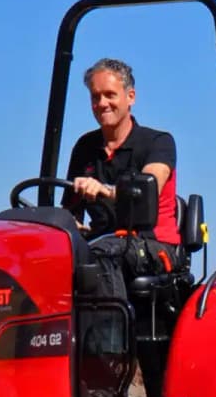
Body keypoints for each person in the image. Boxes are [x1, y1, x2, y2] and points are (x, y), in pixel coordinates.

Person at [62, 58, 183, 273]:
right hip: (103, 241)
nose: (102, 103)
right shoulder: (84, 147)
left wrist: (103, 189)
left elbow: (148, 190)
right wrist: (73, 226)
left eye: (110, 95)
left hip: (152, 246)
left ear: (130, 97)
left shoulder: (158, 142)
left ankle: (108, 308)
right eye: (95, 97)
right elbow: (71, 209)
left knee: (102, 256)